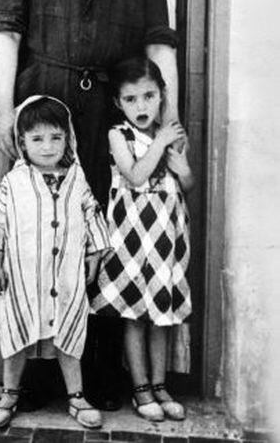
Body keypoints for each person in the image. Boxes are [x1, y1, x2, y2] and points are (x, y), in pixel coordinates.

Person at [0, 0, 179, 409]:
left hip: (114, 120)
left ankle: (97, 377)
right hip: (46, 112)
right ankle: (30, 382)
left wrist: (165, 127)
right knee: (40, 236)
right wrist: (5, 111)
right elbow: (8, 37)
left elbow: (160, 47)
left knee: (103, 239)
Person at [0, 95, 111, 429]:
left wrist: (94, 256)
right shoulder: (14, 181)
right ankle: (9, 393)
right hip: (22, 277)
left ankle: (77, 397)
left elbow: (92, 215)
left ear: (68, 138)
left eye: (56, 137)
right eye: (37, 139)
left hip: (66, 276)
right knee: (16, 335)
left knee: (68, 335)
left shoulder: (76, 179)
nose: (48, 147)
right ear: (22, 141)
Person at [89, 56, 194, 422]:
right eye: (131, 99)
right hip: (131, 238)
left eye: (149, 96)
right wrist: (161, 142)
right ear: (119, 103)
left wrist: (183, 169)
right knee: (134, 313)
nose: (142, 106)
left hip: (165, 235)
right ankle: (140, 387)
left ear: (162, 96)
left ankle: (161, 385)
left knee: (161, 315)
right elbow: (135, 176)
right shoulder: (119, 135)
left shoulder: (172, 135)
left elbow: (186, 185)